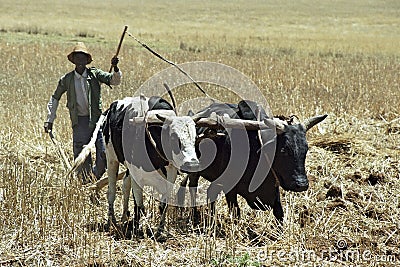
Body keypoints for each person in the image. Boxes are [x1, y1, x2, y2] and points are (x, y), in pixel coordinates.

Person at [44, 42, 122, 183]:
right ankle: (85, 183)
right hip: (79, 122)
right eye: (77, 57)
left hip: (97, 122)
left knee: (103, 154)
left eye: (83, 57)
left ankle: (94, 179)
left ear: (87, 60)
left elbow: (114, 81)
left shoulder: (95, 74)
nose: (80, 60)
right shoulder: (67, 79)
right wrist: (50, 119)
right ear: (73, 60)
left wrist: (115, 67)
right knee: (81, 157)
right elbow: (55, 98)